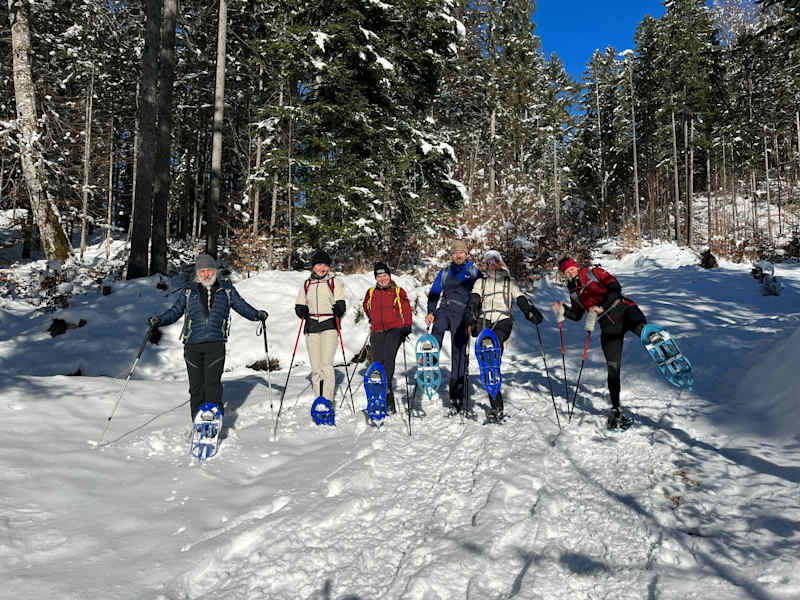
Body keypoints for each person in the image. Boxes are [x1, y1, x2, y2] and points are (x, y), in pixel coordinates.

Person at [147, 254, 268, 426]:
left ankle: (214, 420)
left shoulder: (226, 289)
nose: (206, 274)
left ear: (215, 271)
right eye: (202, 271)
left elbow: (241, 305)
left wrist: (256, 314)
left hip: (215, 344)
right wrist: (159, 320)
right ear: (197, 272)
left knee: (212, 385)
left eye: (209, 270)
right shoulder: (189, 291)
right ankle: (197, 422)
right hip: (192, 346)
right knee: (196, 388)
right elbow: (174, 312)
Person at [552, 257, 647, 430]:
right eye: (566, 272)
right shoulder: (573, 290)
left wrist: (602, 306)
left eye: (571, 268)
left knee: (639, 327)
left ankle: (655, 339)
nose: (570, 272)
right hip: (609, 326)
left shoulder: (592, 272)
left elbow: (615, 287)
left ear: (576, 265)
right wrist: (563, 309)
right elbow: (577, 315)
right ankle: (616, 409)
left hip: (623, 309)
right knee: (612, 367)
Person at [468, 249, 543, 422]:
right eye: (489, 262)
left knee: (493, 352)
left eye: (495, 261)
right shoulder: (481, 282)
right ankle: (496, 405)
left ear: (500, 263)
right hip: (485, 319)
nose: (492, 265)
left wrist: (530, 312)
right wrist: (471, 310)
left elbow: (521, 299)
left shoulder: (510, 282)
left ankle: (497, 405)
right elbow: (474, 296)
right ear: (486, 266)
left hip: (503, 320)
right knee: (488, 361)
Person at [425, 240, 483, 415]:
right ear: (451, 255)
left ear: (466, 254)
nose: (458, 255)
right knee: (437, 331)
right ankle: (429, 358)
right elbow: (435, 291)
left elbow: (481, 292)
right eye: (455, 253)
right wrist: (430, 311)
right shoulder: (444, 272)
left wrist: (476, 315)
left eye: (461, 252)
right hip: (445, 309)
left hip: (462, 312)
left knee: (459, 353)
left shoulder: (473, 271)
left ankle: (456, 395)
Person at [295, 249, 346, 405]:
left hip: (329, 324)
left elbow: (341, 302)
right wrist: (300, 310)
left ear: (329, 267)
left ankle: (328, 399)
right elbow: (299, 303)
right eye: (318, 265)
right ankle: (319, 398)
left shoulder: (334, 282)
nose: (321, 268)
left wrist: (339, 307)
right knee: (316, 367)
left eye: (325, 265)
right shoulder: (306, 284)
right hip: (311, 326)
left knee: (326, 364)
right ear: (313, 266)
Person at [362, 261, 413, 414]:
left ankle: (388, 399)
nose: (382, 278)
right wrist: (373, 319)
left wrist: (406, 327)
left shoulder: (398, 291)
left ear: (389, 276)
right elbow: (366, 306)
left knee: (388, 360)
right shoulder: (371, 292)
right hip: (377, 330)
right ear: (376, 278)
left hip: (395, 330)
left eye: (384, 275)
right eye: (379, 276)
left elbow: (406, 310)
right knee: (377, 363)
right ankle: (379, 398)